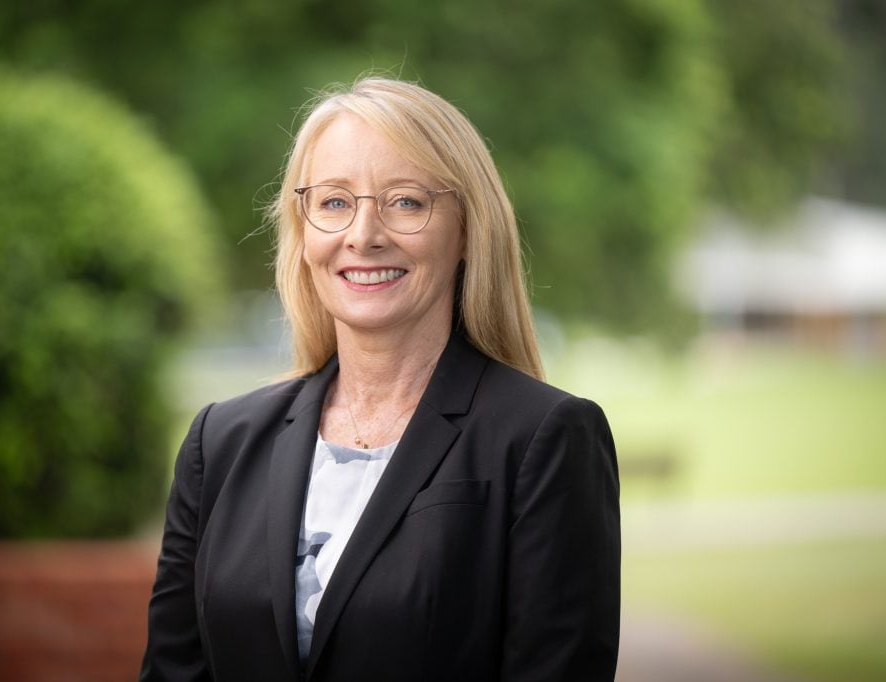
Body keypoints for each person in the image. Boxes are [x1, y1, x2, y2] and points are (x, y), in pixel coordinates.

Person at [140, 77, 620, 682]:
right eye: (335, 202)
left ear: (469, 228)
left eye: (406, 202)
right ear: (304, 229)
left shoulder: (543, 439)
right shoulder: (221, 442)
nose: (363, 236)